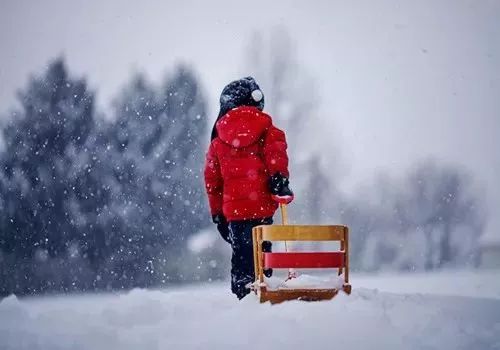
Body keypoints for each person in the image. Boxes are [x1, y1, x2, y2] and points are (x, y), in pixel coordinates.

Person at [204, 76, 293, 299]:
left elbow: (213, 183)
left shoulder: (217, 141)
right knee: (262, 255)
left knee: (242, 255)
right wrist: (279, 178)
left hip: (234, 213)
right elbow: (276, 153)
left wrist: (217, 214)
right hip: (262, 207)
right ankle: (265, 288)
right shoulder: (268, 130)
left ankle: (243, 293)